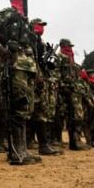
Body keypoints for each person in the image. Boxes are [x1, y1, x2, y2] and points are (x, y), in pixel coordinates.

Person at [0, 0, 42, 165]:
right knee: (17, 107)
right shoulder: (6, 14)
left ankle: (22, 150)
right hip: (14, 68)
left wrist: (37, 71)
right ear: (15, 0)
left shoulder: (26, 24)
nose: (25, 3)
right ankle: (16, 153)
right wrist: (2, 51)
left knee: (26, 109)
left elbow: (32, 51)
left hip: (28, 69)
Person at [29, 18, 61, 155]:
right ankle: (37, 144)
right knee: (35, 110)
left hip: (43, 77)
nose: (41, 28)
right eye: (39, 25)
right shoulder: (29, 39)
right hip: (33, 77)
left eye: (42, 26)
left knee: (43, 110)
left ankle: (44, 144)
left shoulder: (40, 42)